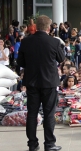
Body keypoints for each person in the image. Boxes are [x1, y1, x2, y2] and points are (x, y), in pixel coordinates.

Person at [17, 15, 65, 151]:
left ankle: (32, 144)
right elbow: (61, 58)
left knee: (32, 113)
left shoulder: (26, 42)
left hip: (32, 82)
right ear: (49, 28)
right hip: (49, 82)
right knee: (49, 113)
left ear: (36, 27)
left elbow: (20, 62)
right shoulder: (54, 42)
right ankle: (49, 144)